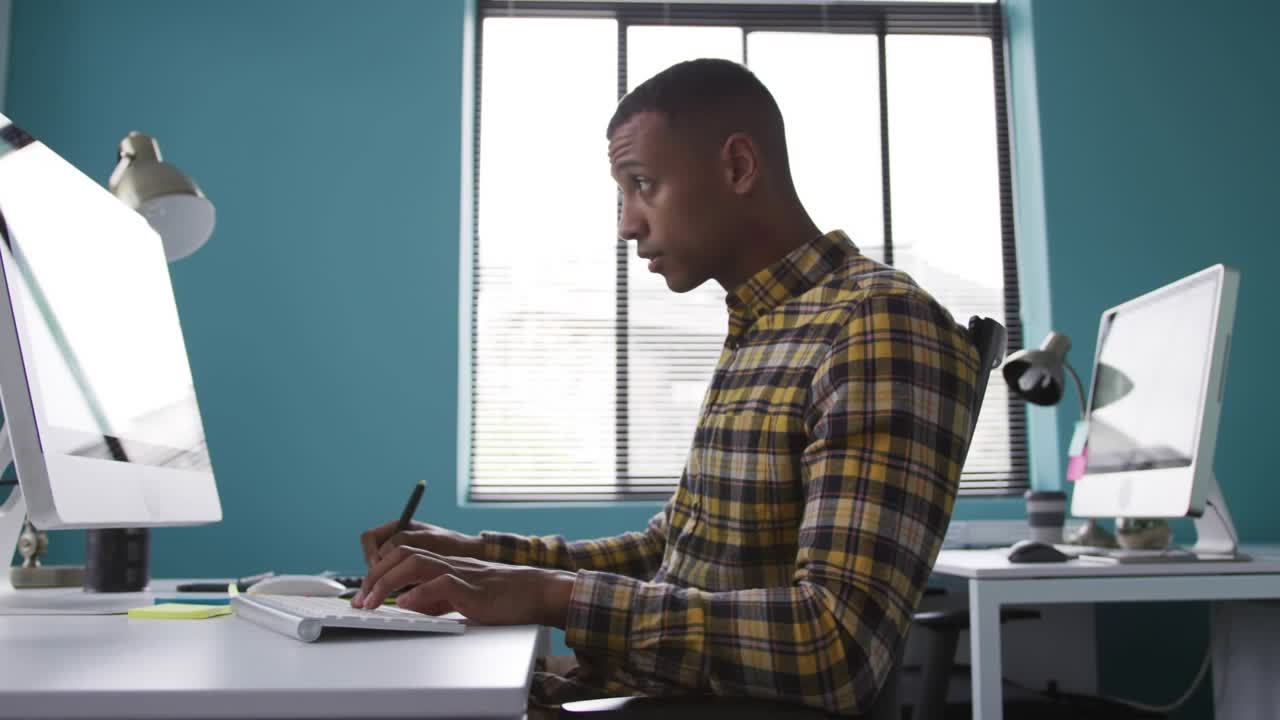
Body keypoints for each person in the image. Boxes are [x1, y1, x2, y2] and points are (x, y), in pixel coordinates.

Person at [354, 58, 979, 717]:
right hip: (616, 690)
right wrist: (474, 557)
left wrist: (547, 594)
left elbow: (836, 645)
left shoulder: (873, 324)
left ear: (738, 167)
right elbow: (669, 551)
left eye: (642, 184)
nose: (627, 223)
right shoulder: (765, 325)